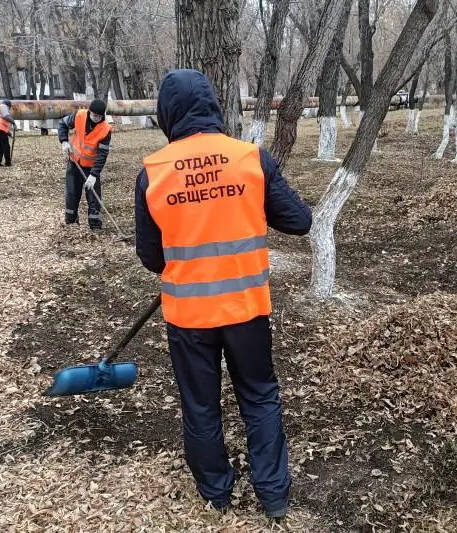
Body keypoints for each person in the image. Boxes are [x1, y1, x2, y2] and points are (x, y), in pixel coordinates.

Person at [135, 69, 312, 519]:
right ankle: (274, 496)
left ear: (167, 114)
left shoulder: (153, 173)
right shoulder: (251, 159)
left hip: (188, 316)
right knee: (259, 396)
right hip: (246, 309)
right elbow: (299, 220)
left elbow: (151, 258)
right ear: (213, 106)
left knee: (200, 405)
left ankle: (216, 493)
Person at [58, 99, 112, 230]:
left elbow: (102, 155)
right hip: (74, 162)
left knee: (93, 195)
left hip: (91, 167)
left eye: (99, 116)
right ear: (90, 112)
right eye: (94, 115)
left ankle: (95, 224)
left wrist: (94, 174)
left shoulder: (105, 130)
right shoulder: (79, 115)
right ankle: (71, 221)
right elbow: (62, 124)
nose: (96, 118)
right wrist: (64, 141)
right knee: (72, 192)